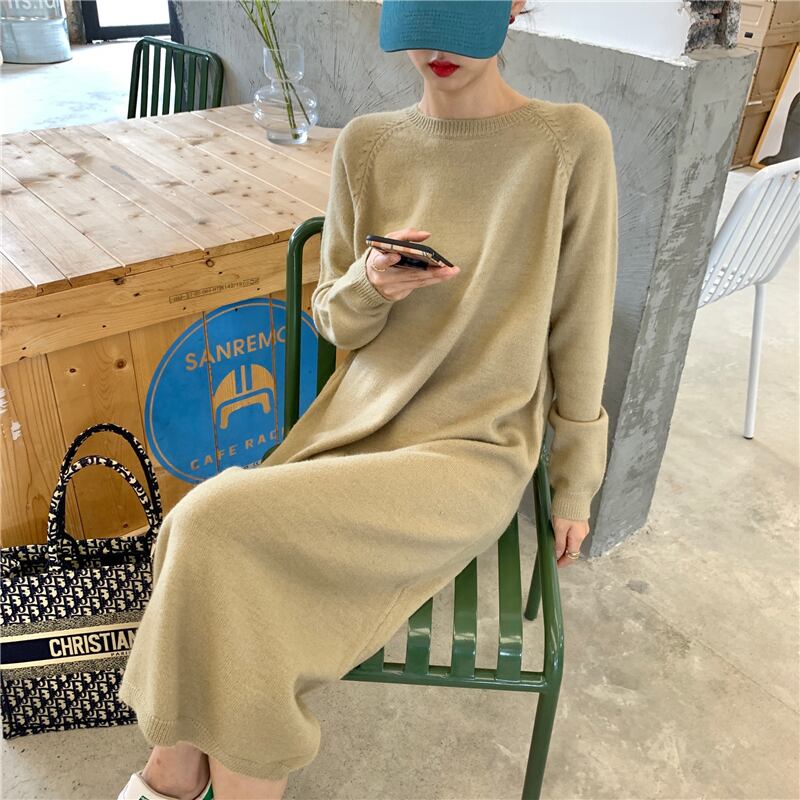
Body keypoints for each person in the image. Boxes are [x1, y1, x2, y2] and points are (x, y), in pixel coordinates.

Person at [116, 0, 618, 798]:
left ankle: (171, 774)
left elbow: (581, 324)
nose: (437, 48)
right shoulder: (370, 143)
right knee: (197, 535)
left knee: (209, 527)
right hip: (357, 426)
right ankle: (180, 769)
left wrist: (576, 480)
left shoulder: (567, 143)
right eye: (420, 18)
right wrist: (370, 284)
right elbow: (334, 321)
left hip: (473, 451)